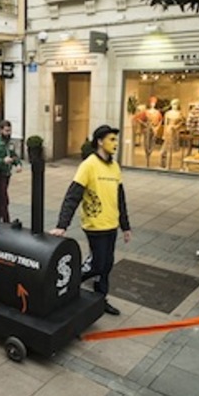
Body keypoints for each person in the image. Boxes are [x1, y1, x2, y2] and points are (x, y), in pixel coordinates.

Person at [50, 124, 132, 316]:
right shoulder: (88, 165)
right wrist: (62, 225)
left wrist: (125, 227)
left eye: (116, 140)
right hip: (95, 225)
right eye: (111, 140)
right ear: (100, 142)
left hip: (111, 224)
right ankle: (68, 284)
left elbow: (120, 199)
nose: (115, 144)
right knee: (96, 264)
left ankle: (100, 300)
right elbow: (73, 196)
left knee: (107, 265)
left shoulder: (114, 167)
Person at [160, 98, 184, 169]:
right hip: (168, 131)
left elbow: (182, 122)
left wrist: (176, 127)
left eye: (176, 104)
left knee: (171, 150)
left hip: (174, 132)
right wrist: (164, 134)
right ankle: (163, 164)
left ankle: (169, 165)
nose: (175, 106)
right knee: (164, 150)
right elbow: (165, 124)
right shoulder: (168, 113)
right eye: (174, 104)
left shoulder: (180, 113)